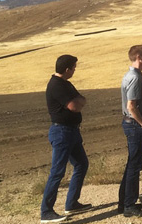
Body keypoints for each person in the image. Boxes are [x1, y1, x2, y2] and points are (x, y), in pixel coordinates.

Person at [40, 54, 90, 223]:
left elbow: (81, 100)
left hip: (72, 132)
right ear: (67, 69)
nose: (75, 70)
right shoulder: (56, 85)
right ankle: (46, 211)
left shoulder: (65, 84)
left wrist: (79, 101)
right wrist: (79, 101)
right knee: (57, 172)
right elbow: (75, 105)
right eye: (74, 67)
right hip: (62, 132)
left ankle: (72, 203)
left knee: (81, 164)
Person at [118, 45, 142, 218]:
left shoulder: (133, 75)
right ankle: (129, 205)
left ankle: (124, 202)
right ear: (139, 56)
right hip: (134, 125)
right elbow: (131, 105)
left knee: (132, 163)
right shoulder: (134, 77)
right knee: (134, 165)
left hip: (132, 124)